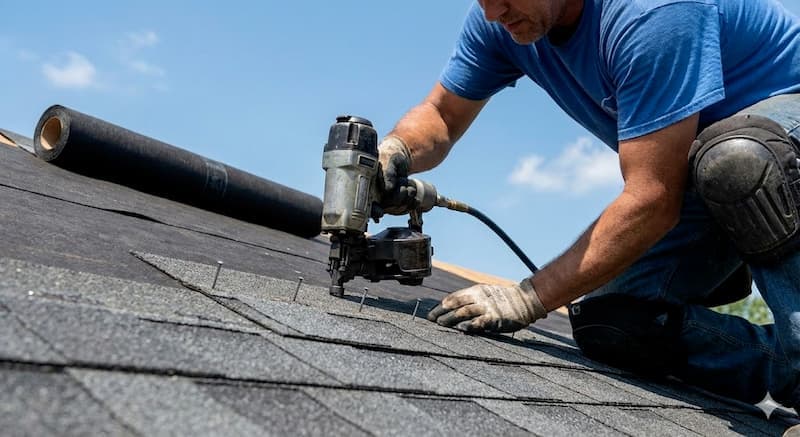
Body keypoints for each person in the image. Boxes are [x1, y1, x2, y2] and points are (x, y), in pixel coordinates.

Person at [376, 0, 800, 423]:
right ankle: (777, 366)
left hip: (774, 133)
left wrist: (528, 297)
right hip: (697, 166)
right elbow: (442, 115)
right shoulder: (502, 22)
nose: (492, 12)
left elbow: (652, 197)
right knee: (614, 322)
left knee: (741, 162)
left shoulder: (652, 13)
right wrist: (393, 152)